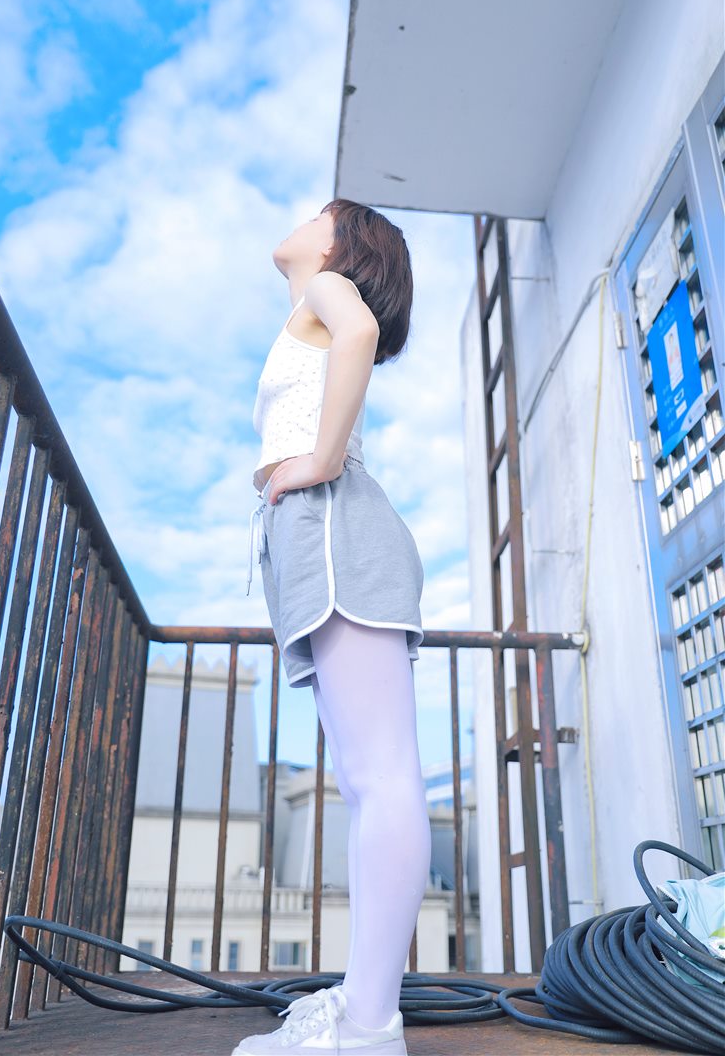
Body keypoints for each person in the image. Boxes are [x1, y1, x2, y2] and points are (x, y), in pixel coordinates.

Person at [234, 200, 430, 1056]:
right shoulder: (308, 306)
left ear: (342, 247)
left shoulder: (327, 289)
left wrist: (316, 458)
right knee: (363, 781)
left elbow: (360, 335)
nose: (299, 220)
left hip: (336, 529)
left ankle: (370, 1026)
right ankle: (360, 1008)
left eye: (318, 214)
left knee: (381, 778)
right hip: (317, 537)